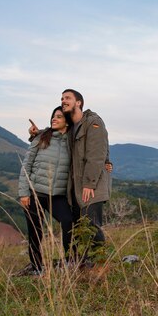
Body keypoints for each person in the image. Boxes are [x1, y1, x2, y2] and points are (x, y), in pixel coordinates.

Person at [29, 89, 111, 267]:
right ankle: (78, 261)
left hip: (92, 186)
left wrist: (89, 183)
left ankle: (102, 263)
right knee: (78, 225)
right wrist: (37, 133)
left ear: (79, 102)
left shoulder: (93, 122)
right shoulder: (73, 127)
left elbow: (97, 155)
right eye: (62, 98)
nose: (63, 100)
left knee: (91, 225)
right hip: (76, 187)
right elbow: (57, 130)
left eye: (67, 98)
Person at [16, 106, 72, 275]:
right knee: (36, 232)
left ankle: (70, 261)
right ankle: (37, 267)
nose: (54, 119)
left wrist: (107, 161)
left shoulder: (72, 141)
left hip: (57, 195)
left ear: (67, 122)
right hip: (35, 193)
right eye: (53, 116)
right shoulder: (41, 137)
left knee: (69, 222)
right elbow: (26, 165)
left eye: (59, 117)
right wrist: (24, 193)